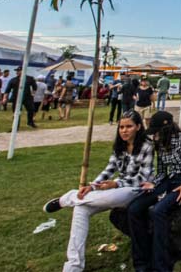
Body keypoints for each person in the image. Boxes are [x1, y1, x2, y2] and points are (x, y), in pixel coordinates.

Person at [43, 110, 154, 272]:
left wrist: (116, 184)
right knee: (81, 209)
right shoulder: (119, 146)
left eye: (129, 126)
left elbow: (142, 178)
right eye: (121, 127)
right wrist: (93, 186)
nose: (124, 130)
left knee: (114, 196)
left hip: (138, 190)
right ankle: (73, 266)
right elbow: (109, 169)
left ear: (138, 127)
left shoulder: (147, 145)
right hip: (118, 187)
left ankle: (67, 198)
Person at [127, 111, 181, 272]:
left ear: (166, 128)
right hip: (170, 179)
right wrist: (153, 184)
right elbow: (162, 171)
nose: (154, 136)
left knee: (158, 211)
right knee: (134, 208)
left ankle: (161, 266)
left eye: (156, 132)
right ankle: (141, 263)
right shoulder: (160, 143)